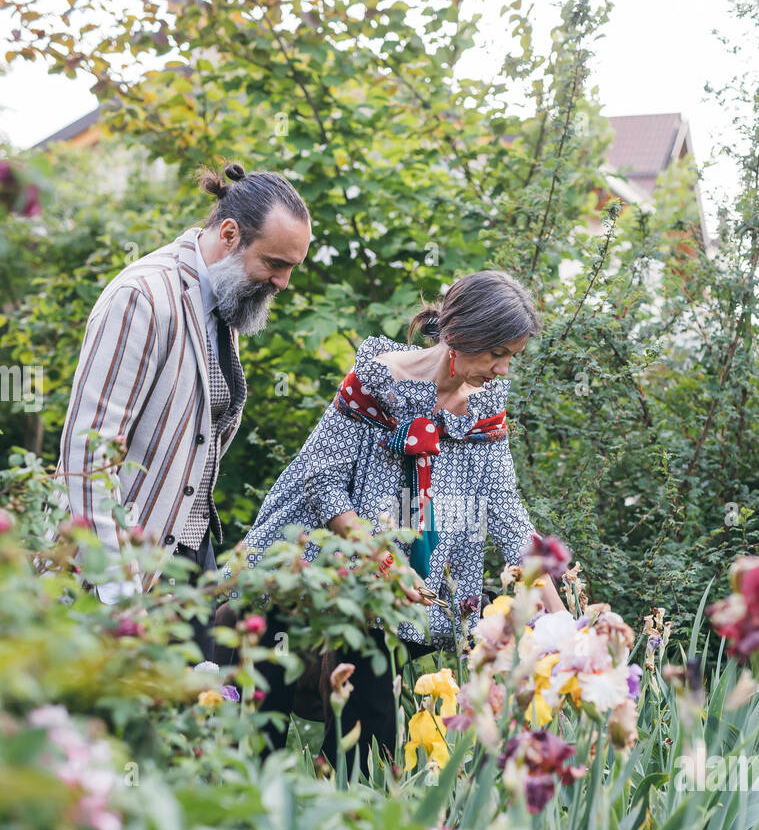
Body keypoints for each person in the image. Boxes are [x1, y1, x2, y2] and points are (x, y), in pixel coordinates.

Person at [227, 268, 566, 771]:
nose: (503, 370)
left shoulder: (485, 407)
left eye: (511, 357)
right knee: (264, 724)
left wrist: (561, 619)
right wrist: (384, 560)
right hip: (318, 570)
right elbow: (321, 482)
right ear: (461, 334)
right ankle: (250, 826)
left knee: (370, 743)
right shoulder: (378, 382)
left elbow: (507, 512)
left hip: (405, 594)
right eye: (497, 354)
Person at [56, 162, 312, 660]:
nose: (282, 282)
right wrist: (119, 593)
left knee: (199, 715)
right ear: (230, 233)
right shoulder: (143, 297)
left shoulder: (221, 293)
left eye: (291, 268)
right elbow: (88, 452)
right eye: (275, 263)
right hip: (120, 560)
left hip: (187, 553)